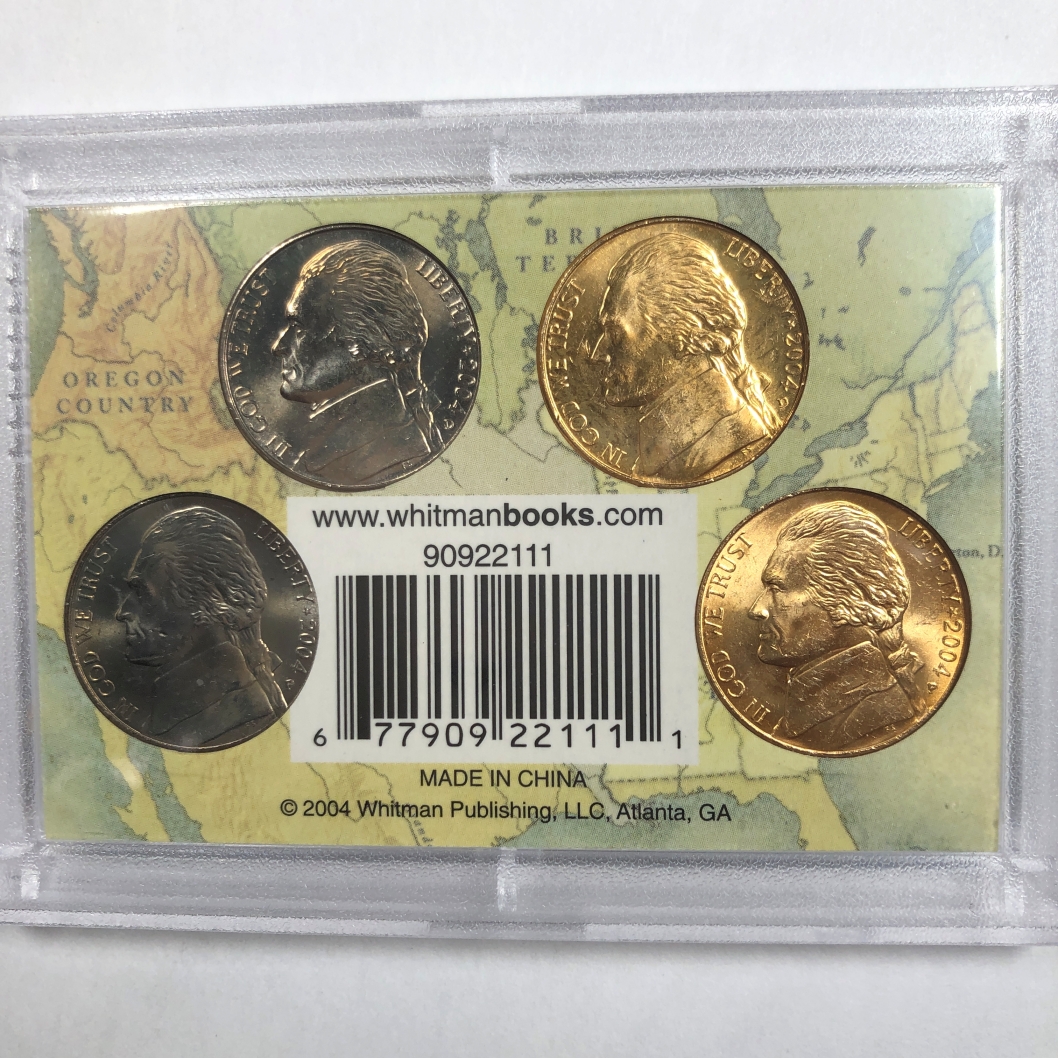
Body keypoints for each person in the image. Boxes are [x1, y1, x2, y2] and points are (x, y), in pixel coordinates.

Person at [590, 231, 781, 480]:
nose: (597, 354)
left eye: (615, 333)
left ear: (681, 333)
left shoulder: (718, 448)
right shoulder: (676, 452)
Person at [748, 501, 922, 751]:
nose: (756, 610)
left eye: (777, 588)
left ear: (845, 601)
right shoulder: (819, 715)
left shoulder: (873, 719)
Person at [271, 239, 441, 485]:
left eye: (298, 327)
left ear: (357, 340)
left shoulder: (372, 453)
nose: (279, 347)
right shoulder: (334, 444)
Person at [116, 506, 287, 748]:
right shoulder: (192, 708)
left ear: (203, 605)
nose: (122, 612)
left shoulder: (227, 716)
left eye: (142, 593)